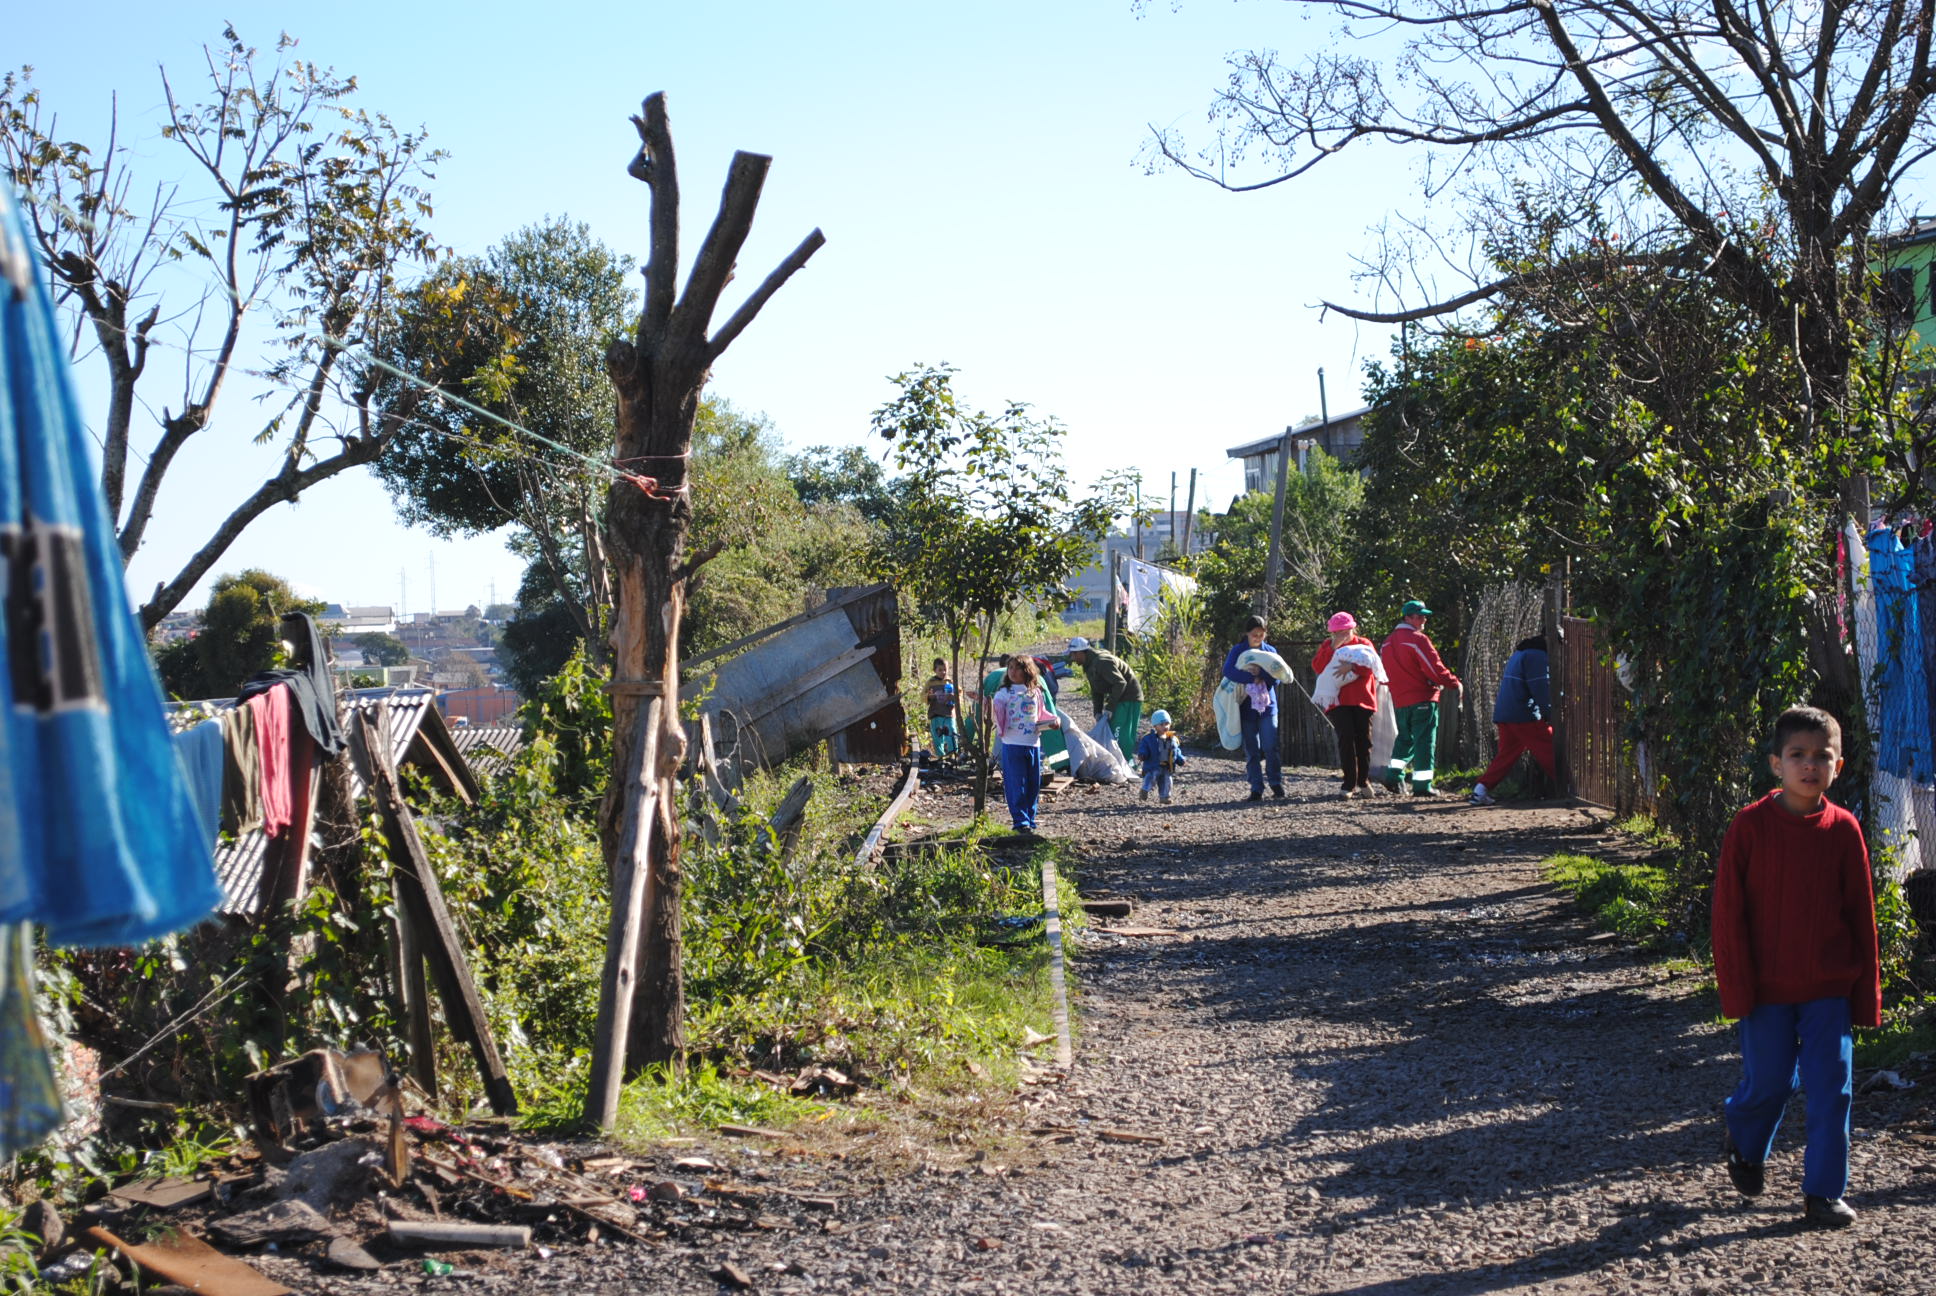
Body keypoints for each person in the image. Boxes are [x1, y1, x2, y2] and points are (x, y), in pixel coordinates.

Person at [1711, 706, 1879, 1230]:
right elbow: (1728, 915)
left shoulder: (1844, 829)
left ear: (1839, 765)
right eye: (1797, 756)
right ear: (1775, 764)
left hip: (1829, 987)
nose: (1810, 766)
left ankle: (1824, 1192)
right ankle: (1744, 1135)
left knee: (1833, 1084)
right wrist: (1737, 989)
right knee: (1770, 1083)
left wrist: (1865, 995)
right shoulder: (1750, 827)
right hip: (1766, 990)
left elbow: (1861, 916)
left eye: (1821, 757)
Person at [1380, 599, 1461, 797]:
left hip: (1400, 700)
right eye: (1419, 616)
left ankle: (1393, 776)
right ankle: (1422, 786)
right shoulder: (1417, 639)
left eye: (1424, 615)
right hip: (1422, 698)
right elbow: (1434, 669)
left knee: (1405, 739)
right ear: (1408, 618)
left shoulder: (1387, 643)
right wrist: (1454, 682)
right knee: (1424, 742)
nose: (1424, 619)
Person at [1470, 635, 1555, 806]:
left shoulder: (1520, 653)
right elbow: (1540, 685)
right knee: (1551, 748)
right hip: (1524, 714)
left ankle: (1480, 790)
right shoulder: (1537, 655)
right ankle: (1570, 787)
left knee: (1505, 756)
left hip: (1506, 712)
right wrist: (1550, 712)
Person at [1312, 612, 1379, 799]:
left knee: (1364, 741)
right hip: (1338, 701)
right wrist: (1333, 648)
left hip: (1363, 700)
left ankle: (1364, 780)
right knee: (1346, 739)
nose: (1342, 635)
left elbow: (1371, 665)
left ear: (1352, 628)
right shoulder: (1328, 646)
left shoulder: (1364, 644)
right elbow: (1318, 666)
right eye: (1337, 632)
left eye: (1345, 631)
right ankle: (1349, 783)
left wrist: (1352, 667)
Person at [989, 655, 1057, 834]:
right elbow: (997, 711)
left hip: (1033, 744)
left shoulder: (1035, 692)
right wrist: (993, 706)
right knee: (1015, 783)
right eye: (1010, 668)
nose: (1012, 672)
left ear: (1027, 671)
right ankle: (1020, 821)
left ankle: (1030, 818)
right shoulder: (1004, 693)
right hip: (1012, 744)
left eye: (1017, 668)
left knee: (1033, 785)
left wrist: (1053, 721)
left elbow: (1041, 714)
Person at [1222, 615, 1284, 801]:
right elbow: (1228, 671)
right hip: (1245, 707)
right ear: (1246, 634)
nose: (1258, 637)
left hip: (1267, 706)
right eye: (1254, 634)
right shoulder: (1238, 650)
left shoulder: (1270, 650)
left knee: (1270, 746)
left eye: (1261, 634)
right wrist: (1251, 678)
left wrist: (1262, 674)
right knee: (1252, 748)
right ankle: (1256, 787)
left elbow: (1279, 676)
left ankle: (1276, 783)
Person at [1066, 636, 1143, 759]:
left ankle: (1125, 764)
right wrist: (1097, 712)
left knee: (1120, 735)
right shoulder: (1089, 665)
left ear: (1081, 652)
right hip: (1120, 697)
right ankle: (1118, 763)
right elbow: (1096, 690)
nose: (1072, 658)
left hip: (1129, 697)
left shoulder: (1102, 661)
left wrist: (1110, 707)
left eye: (1073, 655)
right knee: (1113, 732)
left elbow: (1120, 683)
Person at [1134, 709, 1186, 804]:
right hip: (1153, 765)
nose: (1165, 727)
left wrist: (1180, 759)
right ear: (1155, 726)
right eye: (1161, 725)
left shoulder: (1173, 739)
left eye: (1167, 724)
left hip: (1167, 766)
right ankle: (1145, 790)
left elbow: (1176, 750)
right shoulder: (1149, 738)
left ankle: (1165, 797)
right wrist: (1142, 754)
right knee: (1150, 778)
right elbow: (1144, 748)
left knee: (1167, 782)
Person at [923, 658, 959, 761]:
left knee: (951, 733)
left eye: (945, 669)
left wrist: (953, 696)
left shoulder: (951, 682)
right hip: (935, 714)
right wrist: (929, 696)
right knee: (937, 736)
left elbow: (959, 694)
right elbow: (923, 696)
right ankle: (941, 757)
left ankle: (953, 756)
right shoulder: (930, 682)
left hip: (949, 713)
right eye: (940, 670)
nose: (943, 672)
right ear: (935, 670)